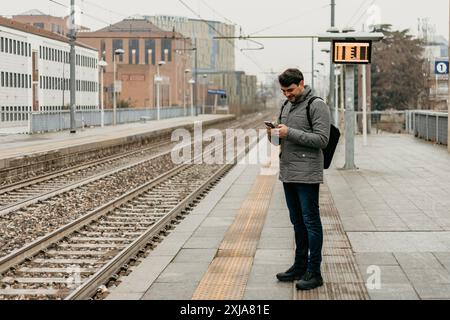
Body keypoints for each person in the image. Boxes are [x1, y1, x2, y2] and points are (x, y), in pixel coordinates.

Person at [267, 68, 331, 291]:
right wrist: (273, 135)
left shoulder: (316, 104)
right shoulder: (286, 106)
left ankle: (314, 272)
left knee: (311, 222)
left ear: (302, 83)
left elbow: (322, 139)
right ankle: (299, 266)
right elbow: (279, 141)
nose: (287, 94)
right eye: (284, 91)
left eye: (290, 90)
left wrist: (289, 133)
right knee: (297, 222)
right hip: (288, 173)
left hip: (307, 174)